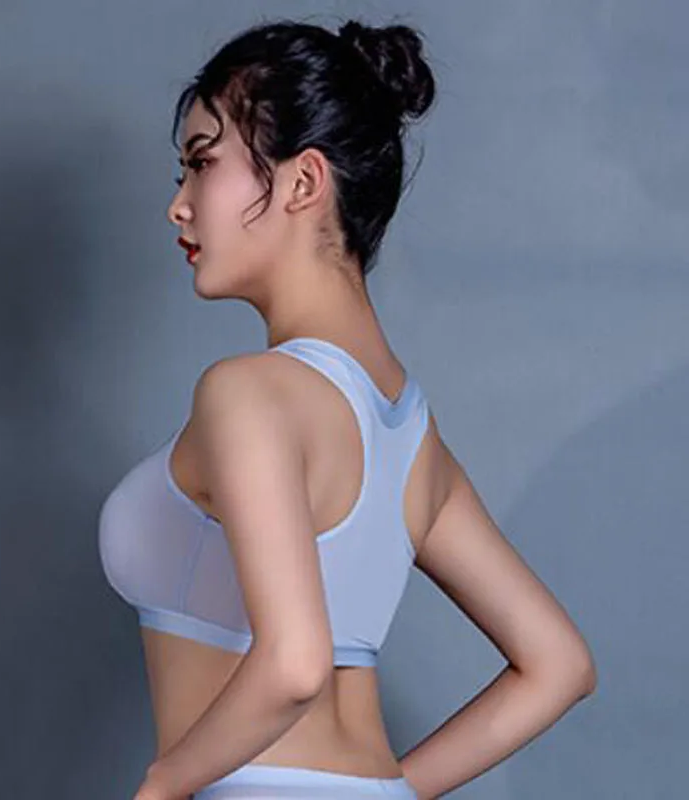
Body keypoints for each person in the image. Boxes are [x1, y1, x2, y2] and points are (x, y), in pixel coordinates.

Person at [98, 16, 597, 800]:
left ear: (303, 182)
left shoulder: (247, 392)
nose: (179, 206)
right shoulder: (412, 438)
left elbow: (295, 664)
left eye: (201, 164)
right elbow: (559, 665)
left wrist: (162, 786)